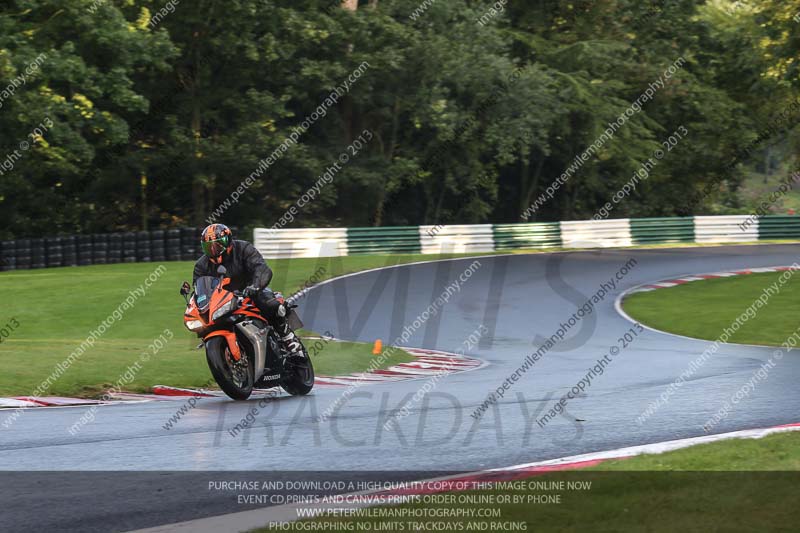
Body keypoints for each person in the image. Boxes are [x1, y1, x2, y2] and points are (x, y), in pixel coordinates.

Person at [192, 223, 303, 356]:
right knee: (205, 324)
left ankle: (288, 338)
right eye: (208, 247)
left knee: (269, 304)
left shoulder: (243, 249)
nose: (213, 250)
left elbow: (261, 268)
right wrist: (197, 305)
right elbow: (199, 289)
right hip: (223, 302)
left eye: (218, 245)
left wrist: (255, 286)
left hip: (250, 291)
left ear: (228, 241)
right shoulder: (201, 266)